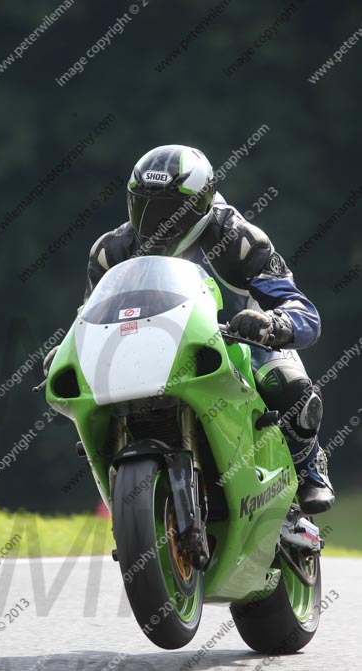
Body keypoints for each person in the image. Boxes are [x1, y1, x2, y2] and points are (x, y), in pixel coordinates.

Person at [46, 144, 334, 514]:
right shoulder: (110, 251)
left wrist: (272, 323)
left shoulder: (240, 240)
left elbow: (303, 311)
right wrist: (69, 346)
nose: (154, 219)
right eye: (142, 205)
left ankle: (309, 467)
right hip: (144, 349)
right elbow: (89, 315)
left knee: (291, 385)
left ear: (202, 202)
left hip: (237, 340)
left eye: (168, 207)